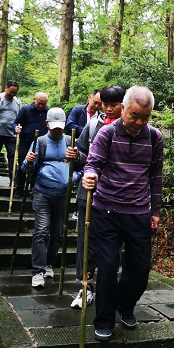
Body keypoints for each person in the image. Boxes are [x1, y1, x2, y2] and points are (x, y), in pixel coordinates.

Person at [82, 85, 163, 341]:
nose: (139, 122)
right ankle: (104, 318)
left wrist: (156, 210)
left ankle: (124, 305)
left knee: (140, 268)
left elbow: (156, 177)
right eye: (134, 116)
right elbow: (93, 162)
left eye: (145, 117)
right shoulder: (106, 133)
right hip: (106, 209)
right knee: (106, 266)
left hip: (138, 211)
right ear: (123, 109)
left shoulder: (154, 137)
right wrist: (90, 175)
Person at [67, 85, 126, 308]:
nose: (108, 109)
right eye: (105, 104)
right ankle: (85, 287)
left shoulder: (132, 127)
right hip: (90, 193)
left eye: (114, 104)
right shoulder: (93, 125)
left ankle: (108, 286)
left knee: (114, 245)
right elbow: (83, 157)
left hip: (118, 197)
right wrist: (75, 156)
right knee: (86, 242)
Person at [22, 108, 75, 288]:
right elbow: (26, 170)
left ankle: (48, 264)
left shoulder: (70, 141)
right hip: (42, 193)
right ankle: (37, 271)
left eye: (60, 127)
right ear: (47, 125)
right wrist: (28, 161)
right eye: (54, 128)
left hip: (62, 195)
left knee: (57, 233)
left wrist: (72, 178)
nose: (57, 131)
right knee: (41, 230)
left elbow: (82, 168)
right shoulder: (40, 142)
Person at [13, 92, 49, 198]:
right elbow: (16, 122)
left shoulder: (48, 112)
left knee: (38, 166)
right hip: (25, 142)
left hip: (41, 144)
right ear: (34, 100)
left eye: (44, 103)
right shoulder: (26, 109)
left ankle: (33, 189)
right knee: (22, 165)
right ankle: (19, 189)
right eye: (39, 103)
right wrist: (16, 128)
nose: (41, 106)